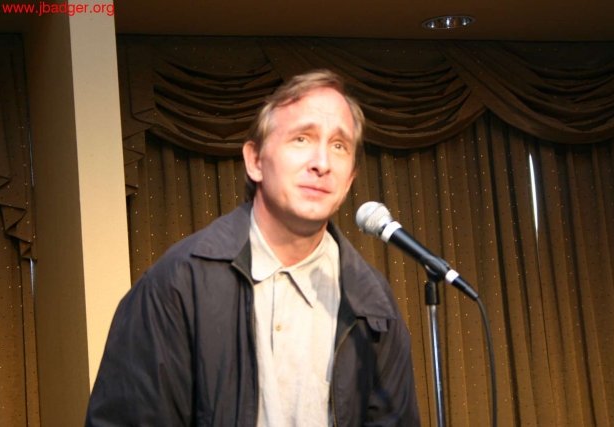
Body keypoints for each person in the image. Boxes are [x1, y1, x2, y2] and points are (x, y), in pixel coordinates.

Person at [85, 69, 420, 426]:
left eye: (339, 146)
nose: (322, 163)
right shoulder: (177, 283)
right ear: (255, 161)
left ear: (350, 178)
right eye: (302, 138)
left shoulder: (373, 302)